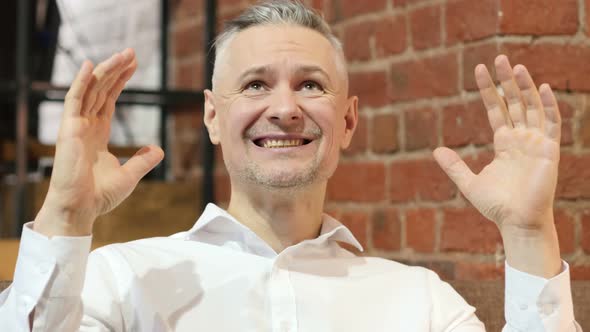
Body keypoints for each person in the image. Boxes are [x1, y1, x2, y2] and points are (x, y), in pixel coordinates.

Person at [0, 1, 582, 331]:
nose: (284, 108)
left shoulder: (422, 305)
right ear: (211, 116)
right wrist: (66, 214)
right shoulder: (121, 280)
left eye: (311, 85)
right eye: (255, 85)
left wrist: (529, 234)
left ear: (348, 121)